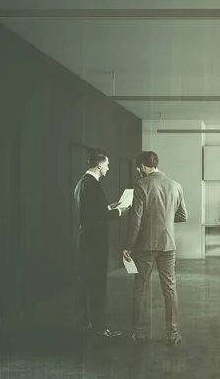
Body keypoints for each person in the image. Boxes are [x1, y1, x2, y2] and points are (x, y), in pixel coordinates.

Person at [123, 151, 187, 346]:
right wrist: (164, 219)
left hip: (145, 246)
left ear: (143, 166)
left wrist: (128, 246)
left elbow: (136, 221)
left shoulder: (141, 185)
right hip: (168, 245)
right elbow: (183, 216)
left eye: (138, 168)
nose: (137, 171)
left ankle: (139, 333)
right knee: (170, 289)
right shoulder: (176, 185)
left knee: (140, 288)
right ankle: (173, 334)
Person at [74, 148, 128, 337]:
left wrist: (108, 207)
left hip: (85, 239)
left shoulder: (82, 183)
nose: (108, 168)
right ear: (99, 164)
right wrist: (119, 212)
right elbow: (99, 216)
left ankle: (83, 321)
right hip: (95, 241)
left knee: (85, 281)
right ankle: (100, 326)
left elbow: (91, 211)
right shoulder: (93, 185)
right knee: (98, 283)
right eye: (106, 164)